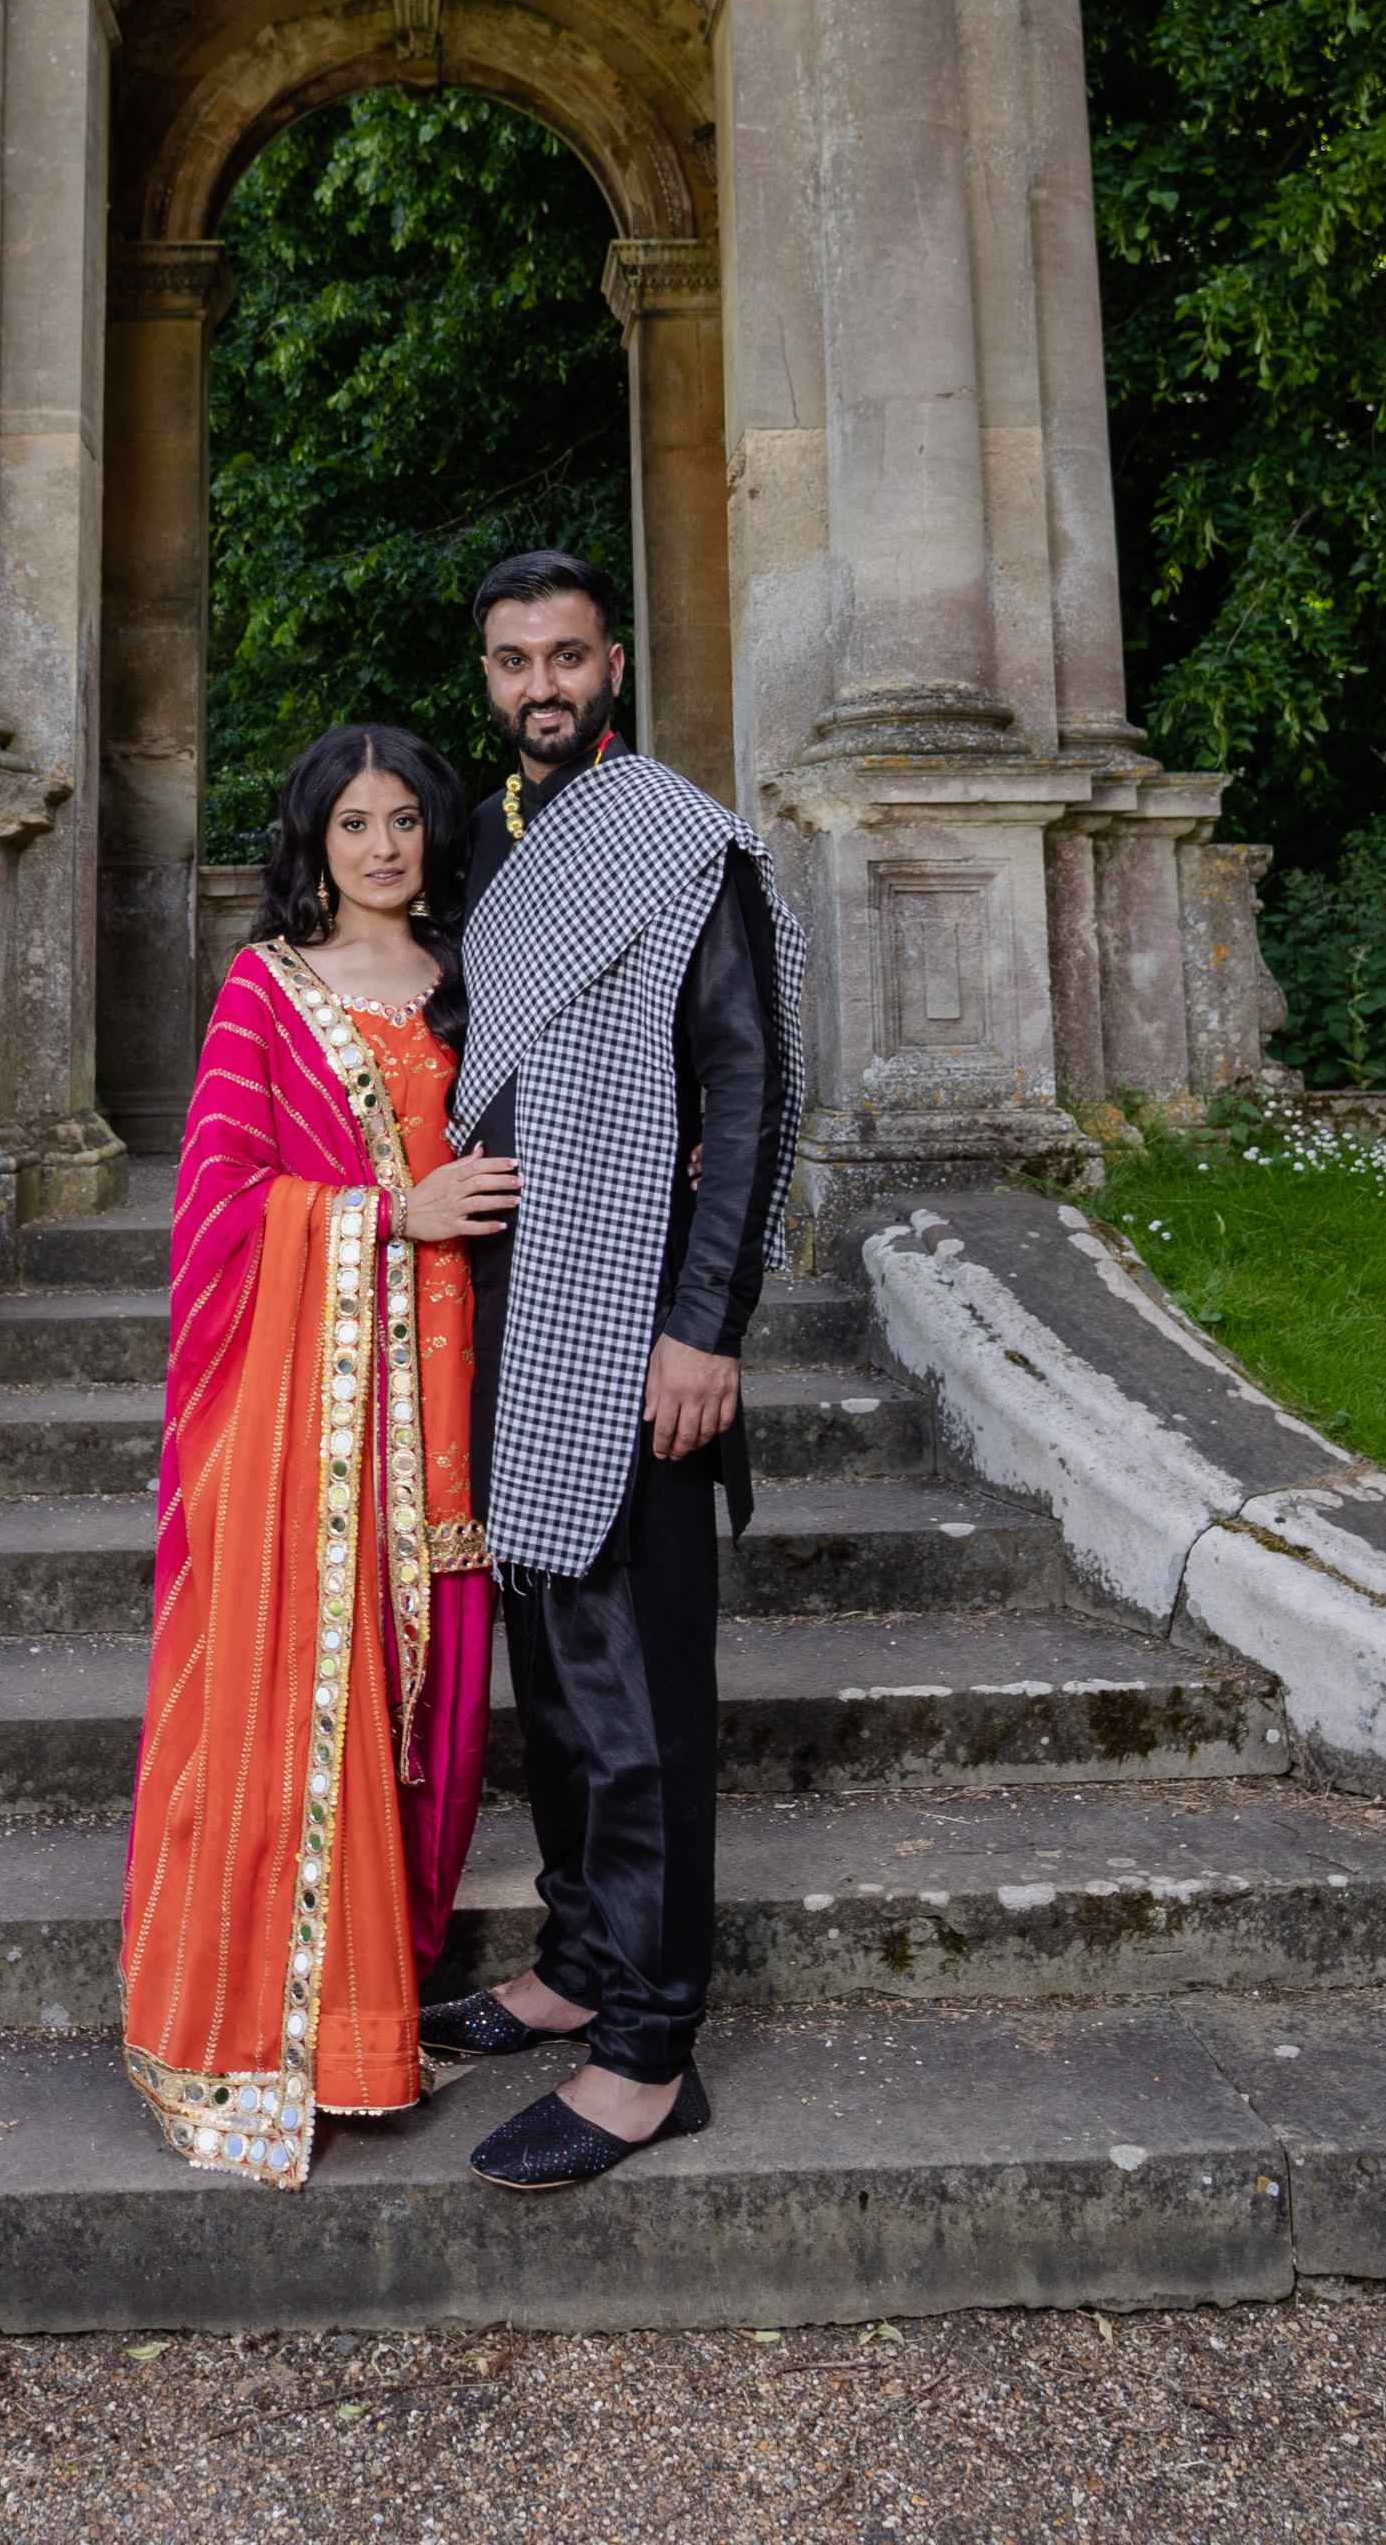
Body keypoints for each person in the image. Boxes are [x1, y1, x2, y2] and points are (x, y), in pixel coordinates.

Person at [428, 551, 804, 2191]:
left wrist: (705, 1327)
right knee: (559, 1685)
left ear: (617, 667)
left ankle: (650, 2048)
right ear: (491, 679)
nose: (541, 688)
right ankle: (582, 1958)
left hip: (638, 1327)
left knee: (639, 1699)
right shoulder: (510, 860)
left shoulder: (679, 840)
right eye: (514, 663)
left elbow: (753, 1092)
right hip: (513, 1325)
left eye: (567, 658)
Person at [114, 722, 519, 2183]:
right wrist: (384, 1217)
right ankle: (301, 2039)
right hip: (322, 1437)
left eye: (407, 819)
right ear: (312, 840)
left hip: (470, 1421)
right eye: (354, 823)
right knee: (323, 1710)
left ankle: (382, 2000)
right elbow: (217, 1215)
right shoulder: (265, 993)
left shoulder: (485, 986)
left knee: (441, 1723)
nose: (384, 848)